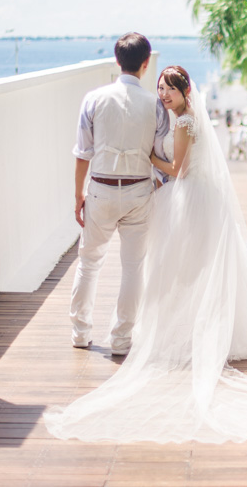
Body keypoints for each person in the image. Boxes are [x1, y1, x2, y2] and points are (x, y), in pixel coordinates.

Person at [44, 65, 247, 444]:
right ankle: (187, 326)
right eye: (159, 87)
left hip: (190, 198)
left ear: (185, 90)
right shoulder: (183, 118)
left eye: (169, 90)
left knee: (176, 267)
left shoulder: (184, 123)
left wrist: (144, 158)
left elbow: (178, 168)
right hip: (195, 196)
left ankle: (176, 329)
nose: (162, 95)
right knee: (179, 267)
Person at [68, 33, 169, 356]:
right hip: (139, 190)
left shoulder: (93, 99)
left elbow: (82, 153)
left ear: (116, 61)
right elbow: (161, 155)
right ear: (145, 63)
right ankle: (122, 340)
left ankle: (80, 333)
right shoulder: (155, 105)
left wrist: (78, 196)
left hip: (101, 188)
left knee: (89, 262)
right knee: (133, 267)